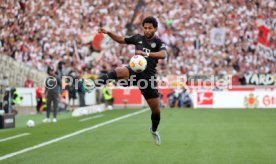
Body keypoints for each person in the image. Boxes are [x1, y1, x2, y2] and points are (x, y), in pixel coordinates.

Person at [97, 16, 167, 145]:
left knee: (156, 111)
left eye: (150, 28)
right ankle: (95, 83)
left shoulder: (159, 42)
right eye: (145, 28)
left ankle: (154, 130)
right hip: (134, 71)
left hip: (148, 79)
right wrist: (108, 33)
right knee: (120, 70)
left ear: (155, 29)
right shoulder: (138, 38)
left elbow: (163, 54)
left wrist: (146, 54)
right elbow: (120, 39)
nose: (147, 30)